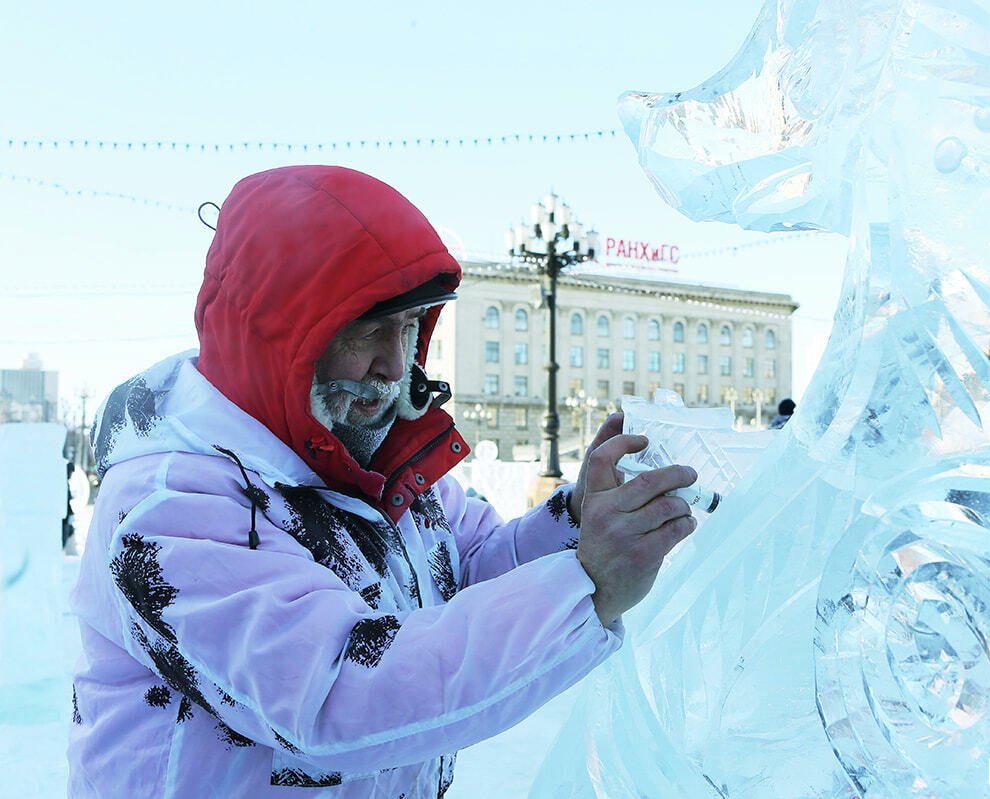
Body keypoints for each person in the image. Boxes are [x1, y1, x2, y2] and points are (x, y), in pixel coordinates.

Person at [68, 165, 698, 798]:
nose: (396, 364)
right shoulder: (170, 505)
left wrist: (578, 519)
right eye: (369, 329)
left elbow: (473, 567)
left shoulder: (367, 462)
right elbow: (332, 693)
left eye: (409, 327)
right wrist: (586, 585)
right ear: (278, 335)